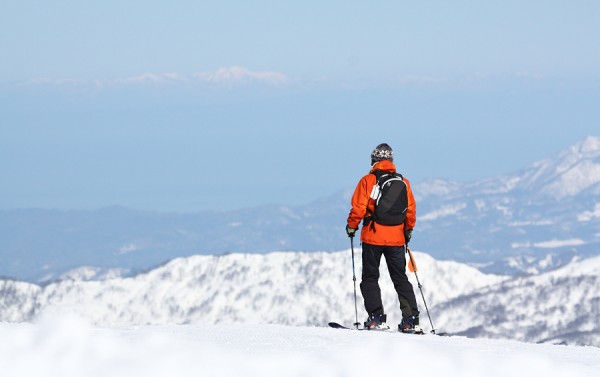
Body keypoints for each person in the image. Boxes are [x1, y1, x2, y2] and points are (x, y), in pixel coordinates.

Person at [345, 143, 421, 332]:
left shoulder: (368, 181)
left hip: (373, 237)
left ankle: (376, 318)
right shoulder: (403, 182)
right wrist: (408, 230)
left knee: (370, 277)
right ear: (391, 161)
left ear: (373, 161)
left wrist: (351, 227)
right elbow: (410, 211)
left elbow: (359, 208)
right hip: (396, 239)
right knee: (400, 278)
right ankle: (410, 320)